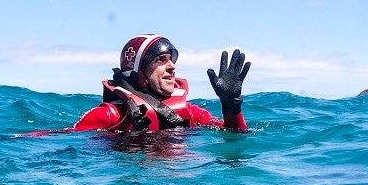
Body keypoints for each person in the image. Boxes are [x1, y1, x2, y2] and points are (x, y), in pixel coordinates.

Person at [73, 34, 251, 132]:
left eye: (172, 60)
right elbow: (65, 144)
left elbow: (234, 136)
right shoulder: (109, 115)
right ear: (138, 71)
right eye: (160, 60)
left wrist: (231, 107)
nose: (172, 67)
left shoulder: (191, 113)